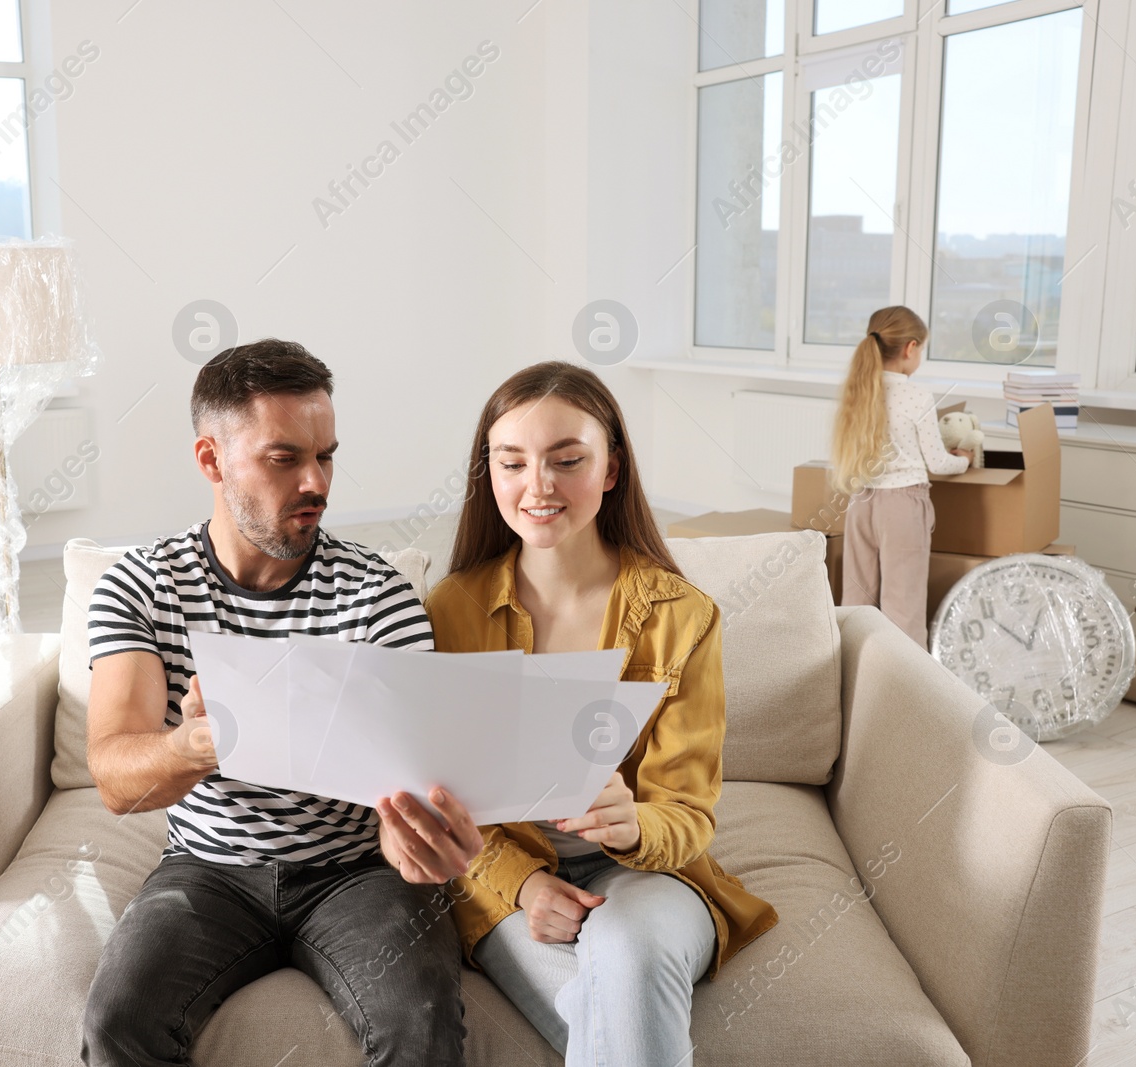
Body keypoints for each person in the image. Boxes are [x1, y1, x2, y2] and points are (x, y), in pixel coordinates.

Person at [80, 339, 480, 1067]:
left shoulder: (375, 591)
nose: (316, 481)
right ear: (211, 459)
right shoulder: (141, 586)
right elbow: (113, 774)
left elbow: (417, 762)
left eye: (326, 455)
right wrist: (190, 746)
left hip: (357, 868)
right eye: (284, 457)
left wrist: (414, 830)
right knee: (117, 1020)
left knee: (420, 1026)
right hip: (207, 867)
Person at [423, 361, 779, 1066]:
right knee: (609, 1011)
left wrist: (635, 820)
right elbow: (438, 800)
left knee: (624, 949)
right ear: (487, 474)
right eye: (513, 462)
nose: (539, 486)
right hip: (507, 876)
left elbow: (688, 812)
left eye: (568, 461)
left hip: (649, 873)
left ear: (611, 469)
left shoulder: (684, 616)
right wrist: (519, 883)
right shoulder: (448, 611)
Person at [831, 305, 974, 646]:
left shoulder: (857, 391)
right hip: (903, 505)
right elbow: (938, 462)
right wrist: (964, 460)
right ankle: (906, 690)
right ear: (910, 348)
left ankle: (854, 677)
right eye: (921, 349)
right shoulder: (916, 396)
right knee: (903, 606)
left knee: (857, 600)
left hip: (861, 503)